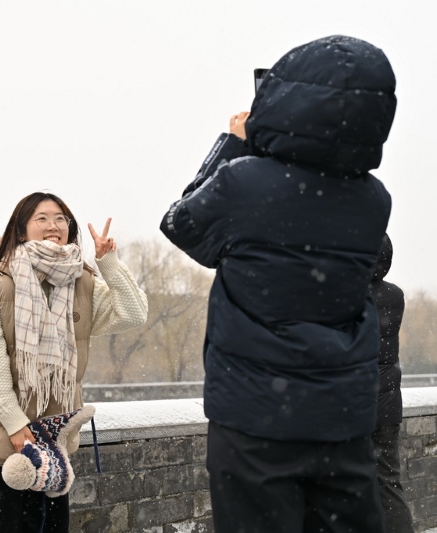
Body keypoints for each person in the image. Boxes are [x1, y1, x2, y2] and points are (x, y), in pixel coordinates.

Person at [159, 35, 397, 532]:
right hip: (342, 415)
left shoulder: (243, 181)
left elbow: (181, 225)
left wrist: (235, 144)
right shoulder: (375, 200)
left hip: (255, 413)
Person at [0, 191, 148, 532]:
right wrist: (18, 428)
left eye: (61, 219)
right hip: (4, 437)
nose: (54, 225)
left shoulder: (81, 282)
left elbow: (133, 314)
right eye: (43, 218)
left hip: (53, 438)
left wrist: (109, 262)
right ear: (21, 230)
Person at [371, 235, 415, 532]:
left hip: (353, 405)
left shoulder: (343, 296)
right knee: (388, 483)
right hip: (386, 405)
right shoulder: (395, 295)